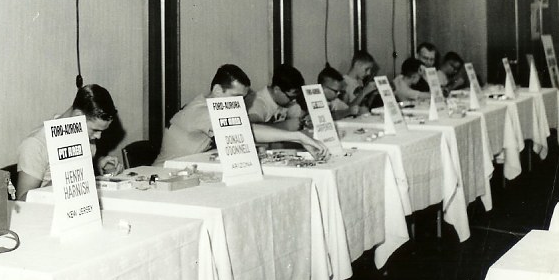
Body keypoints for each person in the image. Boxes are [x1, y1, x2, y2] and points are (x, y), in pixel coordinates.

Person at [154, 64, 329, 165]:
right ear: (217, 90)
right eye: (235, 97)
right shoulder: (201, 112)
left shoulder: (205, 103)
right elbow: (246, 131)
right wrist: (298, 137)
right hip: (164, 175)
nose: (239, 105)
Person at [17, 84, 123, 200]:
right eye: (95, 130)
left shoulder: (86, 137)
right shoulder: (36, 144)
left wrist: (97, 165)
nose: (98, 136)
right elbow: (22, 202)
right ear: (78, 116)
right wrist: (65, 180)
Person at [246, 63, 307, 131]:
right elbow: (251, 128)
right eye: (291, 97)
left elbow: (301, 116)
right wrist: (285, 126)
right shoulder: (257, 102)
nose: (293, 101)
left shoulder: (284, 100)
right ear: (277, 90)